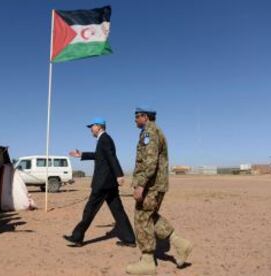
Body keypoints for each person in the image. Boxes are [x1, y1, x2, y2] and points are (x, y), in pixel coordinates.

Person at [126, 108, 192, 275]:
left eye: (137, 117)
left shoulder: (149, 132)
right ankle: (180, 243)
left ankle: (148, 262)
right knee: (150, 216)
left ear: (145, 117)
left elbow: (150, 161)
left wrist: (141, 185)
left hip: (151, 186)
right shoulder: (154, 131)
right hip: (155, 185)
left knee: (142, 218)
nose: (134, 120)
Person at [63, 118, 135, 247]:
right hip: (109, 183)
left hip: (103, 183)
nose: (91, 129)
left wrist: (119, 174)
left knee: (89, 210)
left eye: (92, 126)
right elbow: (99, 155)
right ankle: (129, 239)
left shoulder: (105, 139)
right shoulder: (103, 139)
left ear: (99, 127)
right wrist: (82, 154)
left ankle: (77, 237)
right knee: (118, 211)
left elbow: (111, 157)